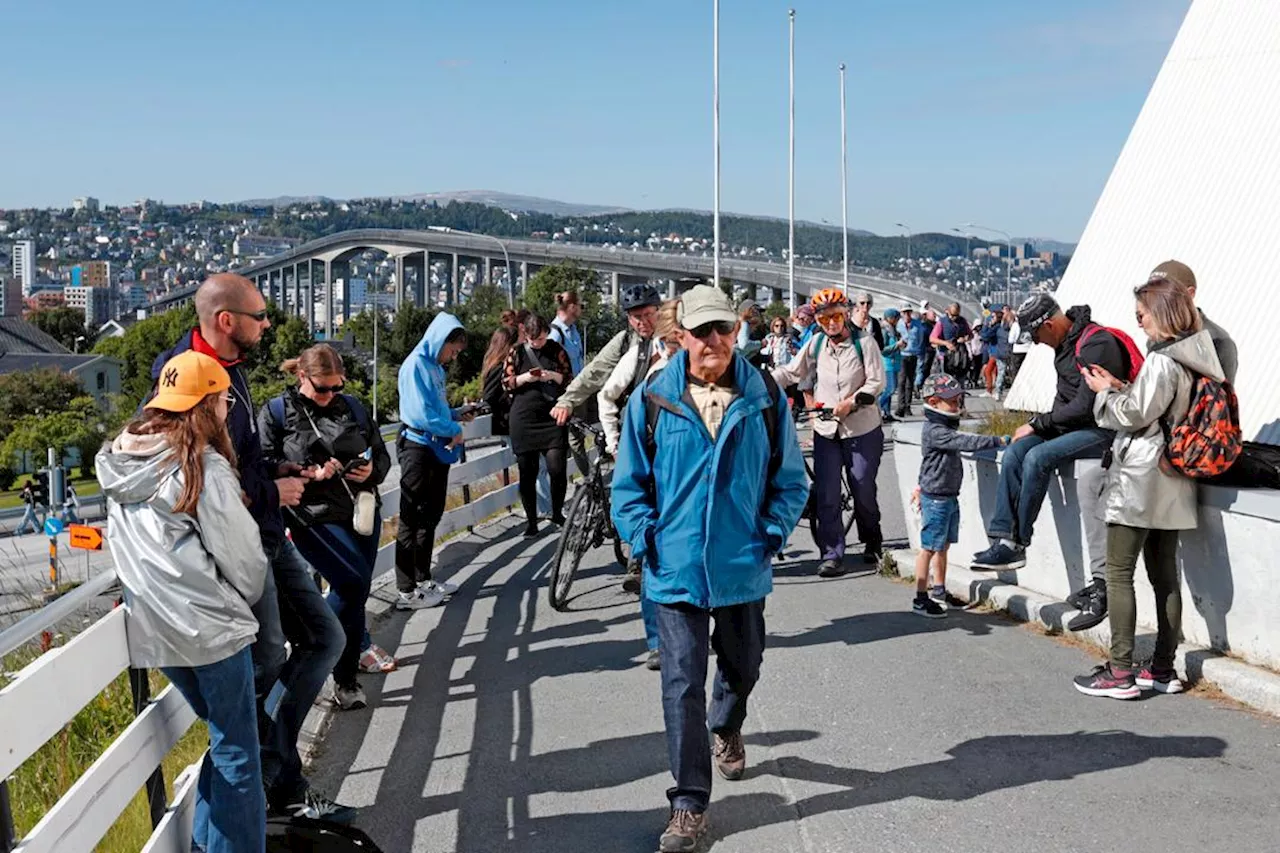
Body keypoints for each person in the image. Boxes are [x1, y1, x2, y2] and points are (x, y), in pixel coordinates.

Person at [611, 285, 809, 853]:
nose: (715, 341)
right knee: (680, 687)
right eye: (703, 332)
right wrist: (645, 541)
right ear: (681, 337)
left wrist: (768, 536)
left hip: (740, 566)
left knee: (743, 667)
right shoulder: (651, 399)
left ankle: (727, 725)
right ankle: (689, 804)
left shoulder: (764, 395)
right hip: (674, 571)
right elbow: (629, 487)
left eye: (725, 329)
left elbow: (790, 480)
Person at [152, 274, 351, 823]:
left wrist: (276, 472)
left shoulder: (233, 372)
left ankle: (273, 768)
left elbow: (239, 459)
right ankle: (276, 779)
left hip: (266, 531)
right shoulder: (182, 378)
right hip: (241, 547)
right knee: (266, 661)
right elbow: (199, 479)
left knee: (325, 639)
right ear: (225, 320)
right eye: (259, 317)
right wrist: (272, 489)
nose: (268, 325)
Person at [99, 350, 269, 853]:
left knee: (223, 740)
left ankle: (207, 845)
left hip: (155, 634)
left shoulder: (122, 464)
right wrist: (244, 598)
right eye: (222, 399)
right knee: (239, 752)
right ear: (205, 405)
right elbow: (245, 559)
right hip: (210, 631)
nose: (227, 409)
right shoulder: (203, 468)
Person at [1073, 276, 1224, 699]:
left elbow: (1137, 415)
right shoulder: (1199, 354)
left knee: (1119, 573)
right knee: (1165, 578)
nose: (1138, 323)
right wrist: (1123, 388)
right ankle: (1162, 667)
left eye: (1141, 315)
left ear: (1159, 312)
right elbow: (1159, 408)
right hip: (1176, 476)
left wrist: (1105, 394)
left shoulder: (1162, 359)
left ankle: (1120, 672)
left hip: (1141, 475)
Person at [259, 345, 394, 710]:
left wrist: (372, 471)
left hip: (361, 508)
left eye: (337, 387)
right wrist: (310, 472)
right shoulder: (275, 413)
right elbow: (263, 464)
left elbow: (381, 453)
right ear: (302, 376)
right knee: (351, 583)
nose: (330, 395)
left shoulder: (353, 406)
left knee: (356, 592)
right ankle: (315, 650)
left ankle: (345, 679)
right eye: (323, 388)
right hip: (311, 515)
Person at [970, 294, 1130, 572]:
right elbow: (1064, 398)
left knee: (1037, 457)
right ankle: (1003, 540)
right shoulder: (1065, 346)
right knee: (1016, 452)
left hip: (1102, 429)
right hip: (1075, 427)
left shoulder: (1096, 344)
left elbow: (1086, 406)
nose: (1038, 343)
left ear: (1050, 326)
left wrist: (1037, 424)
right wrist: (1041, 427)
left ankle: (1019, 543)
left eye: (1036, 336)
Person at [773, 288, 887, 576]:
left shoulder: (865, 343)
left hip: (861, 426)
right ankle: (832, 553)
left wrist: (851, 402)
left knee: (862, 486)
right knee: (827, 493)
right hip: (826, 428)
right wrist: (759, 381)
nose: (831, 323)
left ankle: (872, 539)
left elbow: (876, 382)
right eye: (824, 319)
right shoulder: (816, 343)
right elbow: (791, 372)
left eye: (836, 316)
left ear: (845, 313)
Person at [598, 298, 683, 666]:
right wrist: (617, 445)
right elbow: (604, 392)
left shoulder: (722, 375)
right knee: (653, 564)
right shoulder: (648, 375)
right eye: (677, 341)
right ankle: (658, 642)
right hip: (655, 483)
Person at [913, 373, 1010, 617]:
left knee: (943, 546)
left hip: (947, 495)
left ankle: (939, 589)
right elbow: (966, 442)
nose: (957, 406)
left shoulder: (943, 426)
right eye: (952, 402)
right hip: (936, 498)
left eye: (958, 400)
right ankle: (920, 597)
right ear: (934, 402)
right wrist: (999, 440)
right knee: (929, 548)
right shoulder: (936, 431)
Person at [396, 312, 470, 607]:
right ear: (440, 341)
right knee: (411, 519)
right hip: (418, 448)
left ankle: (423, 579)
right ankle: (406, 590)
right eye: (452, 351)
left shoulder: (434, 367)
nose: (452, 358)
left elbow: (434, 410)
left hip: (435, 447)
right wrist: (454, 428)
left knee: (431, 515)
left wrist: (455, 415)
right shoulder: (416, 364)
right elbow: (418, 415)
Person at [551, 283, 662, 427]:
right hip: (639, 419)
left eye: (648, 315)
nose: (643, 322)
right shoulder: (625, 341)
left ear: (658, 312)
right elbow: (595, 371)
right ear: (629, 318)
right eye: (637, 317)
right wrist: (567, 401)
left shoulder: (675, 338)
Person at [504, 313, 573, 537]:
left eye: (542, 339)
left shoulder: (556, 350)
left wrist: (551, 375)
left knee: (557, 468)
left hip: (552, 416)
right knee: (528, 472)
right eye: (534, 341)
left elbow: (569, 379)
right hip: (524, 418)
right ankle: (531, 522)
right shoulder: (516, 351)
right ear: (526, 336)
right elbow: (507, 382)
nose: (538, 344)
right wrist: (527, 378)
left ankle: (556, 512)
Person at [481, 325, 518, 439]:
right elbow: (489, 396)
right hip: (505, 423)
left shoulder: (495, 366)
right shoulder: (499, 368)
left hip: (507, 423)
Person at [930, 303, 972, 382]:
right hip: (945, 356)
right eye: (952, 315)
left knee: (960, 381)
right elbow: (932, 338)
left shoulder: (963, 321)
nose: (954, 318)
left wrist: (966, 338)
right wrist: (946, 343)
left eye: (956, 315)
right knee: (946, 381)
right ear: (948, 312)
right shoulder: (942, 322)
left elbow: (970, 335)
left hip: (960, 356)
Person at [548, 289, 585, 376]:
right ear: (572, 307)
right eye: (581, 306)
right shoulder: (555, 334)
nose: (582, 310)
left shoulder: (573, 330)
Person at [897, 305, 924, 418]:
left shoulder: (917, 324)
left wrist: (917, 349)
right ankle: (901, 406)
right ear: (902, 314)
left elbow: (921, 338)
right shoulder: (898, 324)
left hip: (913, 354)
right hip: (902, 355)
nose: (907, 315)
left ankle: (908, 406)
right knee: (901, 381)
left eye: (908, 312)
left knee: (910, 382)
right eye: (905, 312)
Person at [879, 308, 904, 421]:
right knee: (890, 389)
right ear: (890, 318)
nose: (898, 321)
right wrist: (897, 345)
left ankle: (887, 413)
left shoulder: (893, 330)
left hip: (894, 363)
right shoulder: (885, 330)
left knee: (888, 390)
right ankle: (876, 407)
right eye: (896, 318)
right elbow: (882, 349)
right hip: (887, 364)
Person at [735, 299, 766, 365]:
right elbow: (744, 345)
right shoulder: (744, 324)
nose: (759, 314)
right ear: (747, 311)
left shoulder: (738, 323)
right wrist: (760, 344)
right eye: (756, 310)